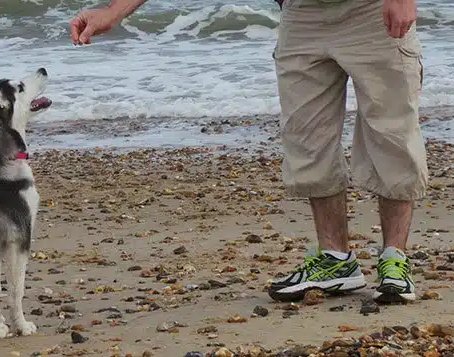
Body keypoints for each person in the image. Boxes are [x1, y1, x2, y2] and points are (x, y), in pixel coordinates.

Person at [69, 0, 427, 304]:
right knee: (307, 140)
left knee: (391, 134)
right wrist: (114, 11)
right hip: (301, 16)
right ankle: (335, 260)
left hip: (370, 10)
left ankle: (395, 259)